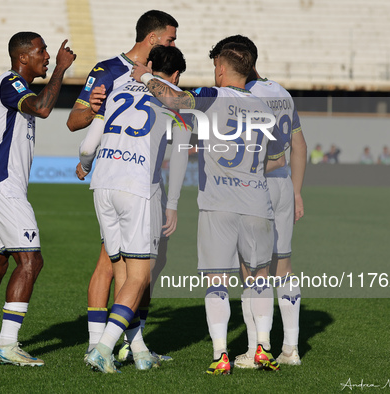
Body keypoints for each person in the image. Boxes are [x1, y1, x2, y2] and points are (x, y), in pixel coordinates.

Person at [132, 42, 286, 375]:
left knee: (217, 281)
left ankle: (221, 355)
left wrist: (145, 78)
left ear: (220, 68)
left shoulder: (210, 94)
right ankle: (261, 348)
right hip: (258, 202)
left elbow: (174, 100)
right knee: (258, 278)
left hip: (219, 203)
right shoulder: (266, 108)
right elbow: (276, 160)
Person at [66, 10, 178, 363]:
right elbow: (75, 120)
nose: (174, 44)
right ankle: (98, 344)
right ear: (154, 37)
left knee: (128, 267)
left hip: (108, 180)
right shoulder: (108, 70)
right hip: (132, 181)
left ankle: (137, 348)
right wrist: (93, 106)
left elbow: (89, 142)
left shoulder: (154, 78)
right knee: (119, 267)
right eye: (171, 39)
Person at [0, 31, 76, 366]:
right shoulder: (11, 82)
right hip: (2, 185)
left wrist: (55, 68)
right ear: (23, 57)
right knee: (31, 262)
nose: (45, 56)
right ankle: (8, 344)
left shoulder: (18, 87)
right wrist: (60, 69)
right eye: (41, 51)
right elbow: (43, 108)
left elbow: (36, 105)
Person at [208, 35, 307, 369]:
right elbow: (299, 145)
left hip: (255, 187)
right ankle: (291, 348)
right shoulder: (280, 92)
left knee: (252, 271)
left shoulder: (241, 95)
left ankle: (256, 349)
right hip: (282, 186)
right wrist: (296, 190)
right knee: (284, 268)